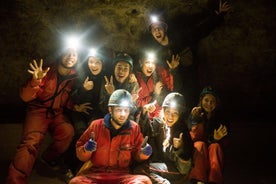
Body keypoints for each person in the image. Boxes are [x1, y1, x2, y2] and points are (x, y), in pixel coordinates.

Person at [5, 46, 79, 184]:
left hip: (57, 113)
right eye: (67, 53)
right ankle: (15, 180)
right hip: (38, 111)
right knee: (30, 143)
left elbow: (66, 97)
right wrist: (35, 81)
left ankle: (48, 157)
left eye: (74, 54)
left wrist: (74, 106)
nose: (70, 56)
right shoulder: (46, 71)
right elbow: (25, 97)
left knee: (67, 132)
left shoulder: (74, 77)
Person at [143, 0, 231, 110]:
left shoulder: (179, 39)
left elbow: (200, 30)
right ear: (151, 33)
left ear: (165, 29)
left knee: (191, 103)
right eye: (153, 29)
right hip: (175, 84)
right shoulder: (156, 51)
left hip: (191, 76)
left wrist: (218, 15)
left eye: (159, 27)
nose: (156, 31)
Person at [69, 89, 153, 184]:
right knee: (75, 182)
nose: (123, 114)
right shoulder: (96, 126)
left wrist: (144, 153)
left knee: (144, 181)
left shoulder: (134, 128)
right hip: (96, 175)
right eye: (118, 110)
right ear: (110, 109)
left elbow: (137, 156)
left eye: (126, 110)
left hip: (122, 176)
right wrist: (86, 149)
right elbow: (81, 156)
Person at [62, 47, 108, 181]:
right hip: (79, 112)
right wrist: (83, 89)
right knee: (80, 133)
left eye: (97, 62)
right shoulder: (81, 74)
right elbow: (72, 96)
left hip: (96, 113)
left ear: (103, 64)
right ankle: (69, 165)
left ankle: (86, 168)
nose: (93, 65)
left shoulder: (105, 78)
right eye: (91, 61)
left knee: (93, 133)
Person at [136, 92, 194, 184]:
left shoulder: (181, 131)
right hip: (160, 165)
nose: (170, 116)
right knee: (138, 168)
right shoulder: (159, 123)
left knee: (142, 169)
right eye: (168, 112)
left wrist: (178, 149)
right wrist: (144, 113)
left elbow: (184, 168)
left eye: (175, 113)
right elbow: (145, 133)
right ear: (163, 111)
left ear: (180, 115)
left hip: (176, 170)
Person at [187, 86, 230, 184]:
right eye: (206, 100)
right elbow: (192, 139)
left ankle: (214, 181)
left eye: (212, 101)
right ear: (201, 100)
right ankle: (199, 180)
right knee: (199, 145)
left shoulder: (221, 118)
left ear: (217, 103)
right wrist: (195, 121)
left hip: (212, 157)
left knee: (215, 146)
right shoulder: (195, 114)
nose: (209, 104)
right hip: (200, 157)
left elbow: (226, 142)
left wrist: (216, 139)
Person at [99, 52, 139, 117]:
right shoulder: (107, 82)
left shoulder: (133, 84)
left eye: (125, 68)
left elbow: (133, 112)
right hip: (109, 116)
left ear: (129, 72)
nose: (121, 71)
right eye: (119, 67)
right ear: (114, 68)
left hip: (126, 117)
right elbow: (102, 108)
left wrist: (131, 102)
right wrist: (110, 94)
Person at [135, 51, 173, 120]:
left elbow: (168, 91)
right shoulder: (136, 79)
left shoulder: (157, 76)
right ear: (141, 62)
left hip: (158, 114)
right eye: (147, 62)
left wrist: (172, 70)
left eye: (153, 63)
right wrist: (155, 94)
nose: (150, 66)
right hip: (144, 116)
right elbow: (137, 103)